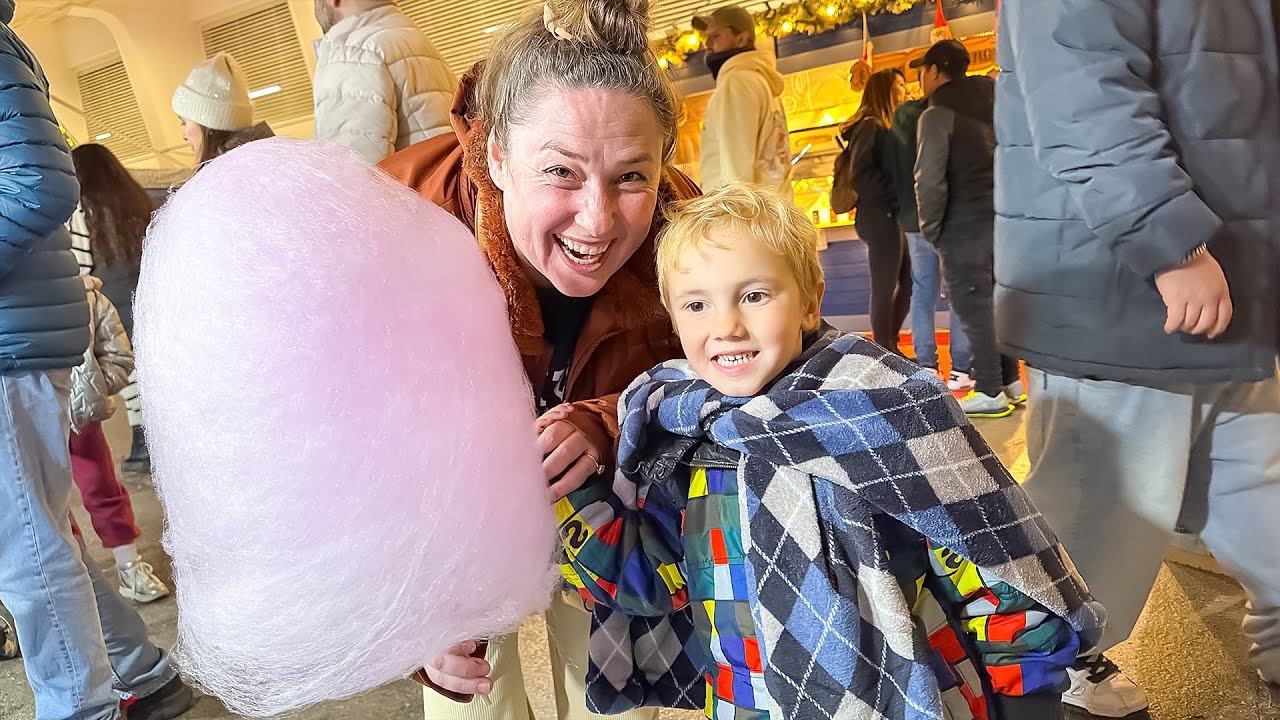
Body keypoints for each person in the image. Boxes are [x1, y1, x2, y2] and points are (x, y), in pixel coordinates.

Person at [553, 182, 1102, 719]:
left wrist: (1025, 692)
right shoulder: (687, 440)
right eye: (696, 304)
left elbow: (987, 564)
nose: (726, 325)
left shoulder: (882, 412)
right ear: (674, 321)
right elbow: (653, 578)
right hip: (746, 703)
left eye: (754, 295)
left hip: (899, 696)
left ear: (810, 302)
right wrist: (569, 492)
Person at [377, 0, 697, 716]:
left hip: (606, 521)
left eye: (631, 177)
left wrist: (610, 420)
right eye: (561, 172)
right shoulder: (395, 220)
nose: (598, 219)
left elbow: (731, 378)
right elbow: (350, 435)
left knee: (611, 699)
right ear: (494, 153)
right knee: (469, 703)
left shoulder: (689, 231)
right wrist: (410, 605)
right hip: (447, 515)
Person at [996, 2, 1280, 717]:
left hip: (1227, 281)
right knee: (1098, 509)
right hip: (1126, 284)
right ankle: (1046, 679)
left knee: (1260, 487)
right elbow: (1081, 93)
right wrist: (1167, 239)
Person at [0, 4, 193, 718]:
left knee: (28, 554)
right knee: (39, 534)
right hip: (20, 334)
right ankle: (141, 671)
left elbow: (42, 184)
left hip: (10, 340)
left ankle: (84, 708)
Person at [914, 39, 1021, 417]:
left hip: (962, 225)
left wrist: (932, 229)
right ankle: (1010, 382)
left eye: (922, 72)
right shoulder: (994, 102)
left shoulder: (937, 114)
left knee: (973, 308)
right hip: (1002, 222)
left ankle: (990, 390)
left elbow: (929, 180)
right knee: (997, 303)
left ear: (935, 70)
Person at [69, 273, 171, 603]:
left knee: (102, 487)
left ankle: (129, 567)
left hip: (76, 414)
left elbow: (118, 354)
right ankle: (73, 581)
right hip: (18, 419)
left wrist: (93, 389)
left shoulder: (85, 294)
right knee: (34, 506)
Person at [69, 143, 153, 471]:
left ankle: (144, 443)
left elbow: (81, 267)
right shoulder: (136, 202)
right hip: (146, 298)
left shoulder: (83, 210)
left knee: (129, 371)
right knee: (148, 372)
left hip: (115, 305)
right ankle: (152, 441)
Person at [890, 60, 971, 389]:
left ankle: (926, 365)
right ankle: (961, 368)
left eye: (922, 72)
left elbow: (897, 166)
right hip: (951, 216)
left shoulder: (905, 114)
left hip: (913, 215)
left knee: (922, 292)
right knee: (957, 293)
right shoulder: (961, 109)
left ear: (935, 71)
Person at [311, 0, 457, 164]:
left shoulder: (352, 52)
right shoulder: (411, 38)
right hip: (438, 185)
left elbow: (349, 174)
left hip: (409, 188)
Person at [837, 68, 911, 353]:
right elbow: (861, 173)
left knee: (906, 281)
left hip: (889, 215)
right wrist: (894, 196)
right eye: (900, 85)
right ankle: (885, 346)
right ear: (886, 90)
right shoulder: (871, 127)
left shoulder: (883, 126)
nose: (905, 90)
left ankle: (889, 342)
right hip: (880, 216)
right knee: (886, 284)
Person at [691, 5, 791, 196]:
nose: (707, 43)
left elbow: (735, 173)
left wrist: (731, 221)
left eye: (716, 36)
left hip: (748, 218)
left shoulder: (737, 83)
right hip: (769, 212)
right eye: (707, 37)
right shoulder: (761, 82)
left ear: (741, 38)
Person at [172, 52, 274, 166]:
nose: (184, 136)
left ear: (207, 122)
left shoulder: (229, 174)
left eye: (184, 123)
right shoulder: (267, 156)